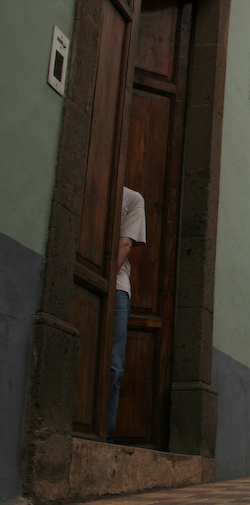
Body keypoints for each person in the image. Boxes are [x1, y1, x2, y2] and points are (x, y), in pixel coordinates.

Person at [108, 186, 146, 443]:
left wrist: (106, 278)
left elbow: (125, 243)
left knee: (114, 365)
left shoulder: (132, 198)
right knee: (113, 366)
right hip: (108, 284)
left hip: (117, 287)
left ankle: (106, 437)